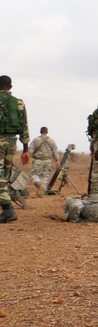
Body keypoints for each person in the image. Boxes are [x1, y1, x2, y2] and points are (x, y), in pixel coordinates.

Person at [0, 75, 30, 223]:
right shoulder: (19, 103)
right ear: (10, 87)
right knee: (4, 175)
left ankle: (7, 210)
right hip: (12, 143)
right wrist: (25, 149)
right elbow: (24, 127)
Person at [28, 127, 60, 198]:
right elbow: (55, 150)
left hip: (38, 160)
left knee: (34, 175)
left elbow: (30, 150)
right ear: (47, 132)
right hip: (48, 160)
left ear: (40, 132)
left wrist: (32, 156)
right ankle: (42, 192)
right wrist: (57, 160)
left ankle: (39, 185)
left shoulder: (36, 140)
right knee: (44, 177)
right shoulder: (51, 140)